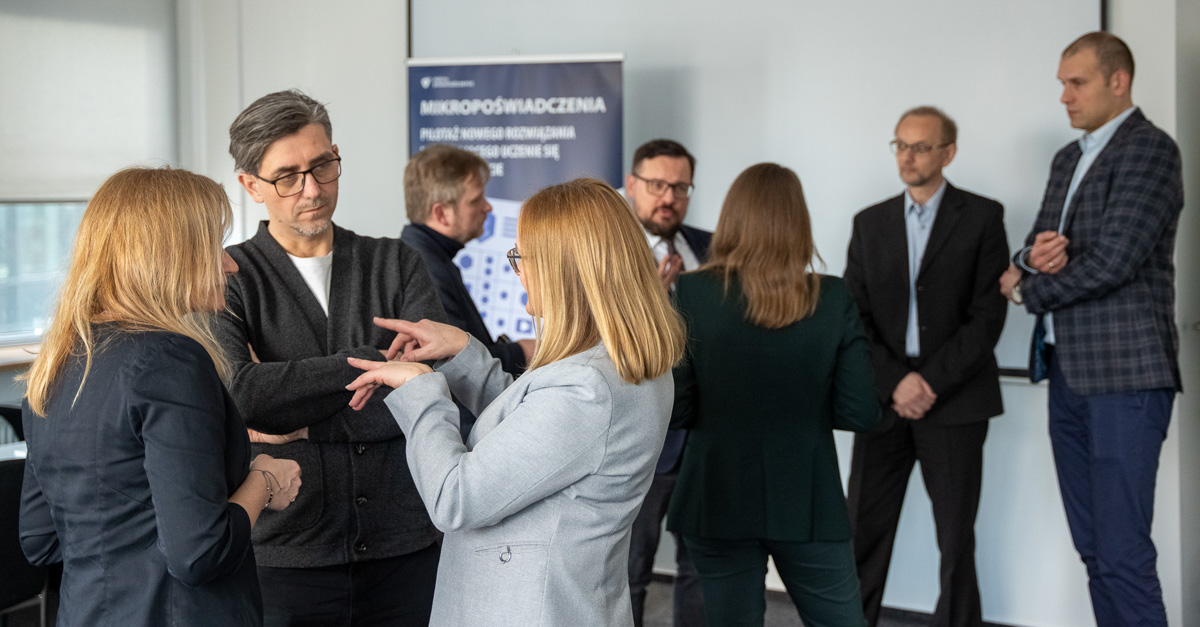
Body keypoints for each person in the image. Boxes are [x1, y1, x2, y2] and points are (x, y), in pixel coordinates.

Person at [343, 178, 686, 627]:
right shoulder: (617, 365)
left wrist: (421, 393)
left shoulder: (586, 389)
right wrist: (464, 354)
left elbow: (455, 498)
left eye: (522, 256)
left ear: (564, 268)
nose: (517, 270)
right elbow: (537, 439)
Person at [18, 167, 301, 626]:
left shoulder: (57, 363)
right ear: (167, 255)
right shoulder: (170, 360)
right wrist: (264, 481)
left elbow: (41, 540)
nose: (229, 265)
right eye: (214, 246)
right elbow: (200, 554)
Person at [220, 89, 448, 626]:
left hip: (406, 547)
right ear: (251, 185)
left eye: (323, 165)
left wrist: (301, 427)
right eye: (287, 175)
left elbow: (429, 386)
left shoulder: (396, 263)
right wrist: (375, 364)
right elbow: (242, 395)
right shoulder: (226, 278)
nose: (313, 189)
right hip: (286, 556)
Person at [999, 32, 1183, 627]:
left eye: (1075, 82)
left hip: (1126, 378)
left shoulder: (1150, 150)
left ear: (1118, 81)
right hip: (1068, 374)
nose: (1064, 96)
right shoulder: (1067, 158)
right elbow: (1034, 247)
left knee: (1123, 554)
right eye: (1061, 83)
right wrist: (1027, 263)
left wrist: (1024, 286)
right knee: (1096, 552)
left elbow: (1115, 260)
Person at [668, 163, 880, 626]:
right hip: (808, 498)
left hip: (715, 496)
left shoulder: (690, 293)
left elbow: (677, 409)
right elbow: (861, 411)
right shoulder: (833, 296)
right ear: (797, 222)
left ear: (731, 218)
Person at [842, 107, 1009, 627]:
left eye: (919, 146)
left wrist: (929, 381)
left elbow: (988, 315)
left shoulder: (983, 216)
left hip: (954, 400)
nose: (907, 156)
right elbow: (854, 316)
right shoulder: (869, 223)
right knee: (861, 533)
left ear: (948, 153)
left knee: (956, 539)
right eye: (900, 145)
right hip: (884, 401)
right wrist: (897, 381)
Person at [624, 138, 709, 627]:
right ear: (632, 185)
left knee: (698, 566)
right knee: (630, 567)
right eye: (657, 185)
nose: (668, 197)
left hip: (703, 437)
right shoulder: (611, 252)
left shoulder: (710, 246)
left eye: (680, 187)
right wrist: (649, 300)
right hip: (643, 437)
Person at [400, 145, 535, 439]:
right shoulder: (421, 267)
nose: (488, 207)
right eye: (477, 200)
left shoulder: (429, 258)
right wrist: (521, 351)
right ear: (441, 213)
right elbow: (449, 359)